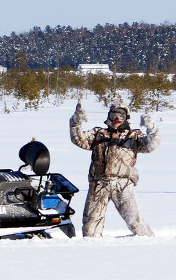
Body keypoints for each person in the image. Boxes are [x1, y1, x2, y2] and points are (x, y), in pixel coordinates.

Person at [69, 102, 161, 237]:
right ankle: (91, 252)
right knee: (90, 227)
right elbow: (78, 139)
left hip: (123, 185)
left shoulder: (133, 136)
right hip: (99, 184)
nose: (116, 119)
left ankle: (149, 245)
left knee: (136, 223)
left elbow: (152, 145)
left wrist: (151, 127)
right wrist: (76, 121)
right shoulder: (98, 134)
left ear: (126, 118)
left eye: (121, 116)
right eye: (114, 115)